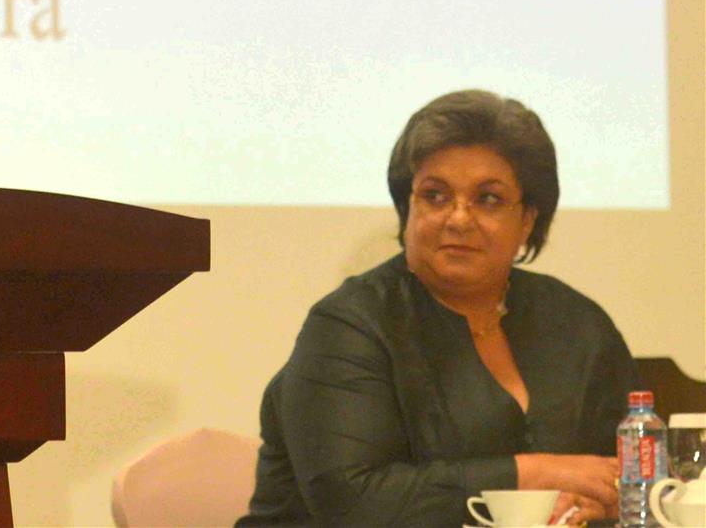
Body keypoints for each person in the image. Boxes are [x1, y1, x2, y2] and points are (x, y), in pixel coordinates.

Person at [237, 90, 636, 527]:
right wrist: (536, 474)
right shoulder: (349, 326)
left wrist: (599, 502)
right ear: (406, 208)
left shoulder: (576, 323)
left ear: (527, 220)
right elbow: (354, 499)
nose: (459, 218)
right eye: (436, 195)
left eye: (488, 199)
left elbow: (629, 474)